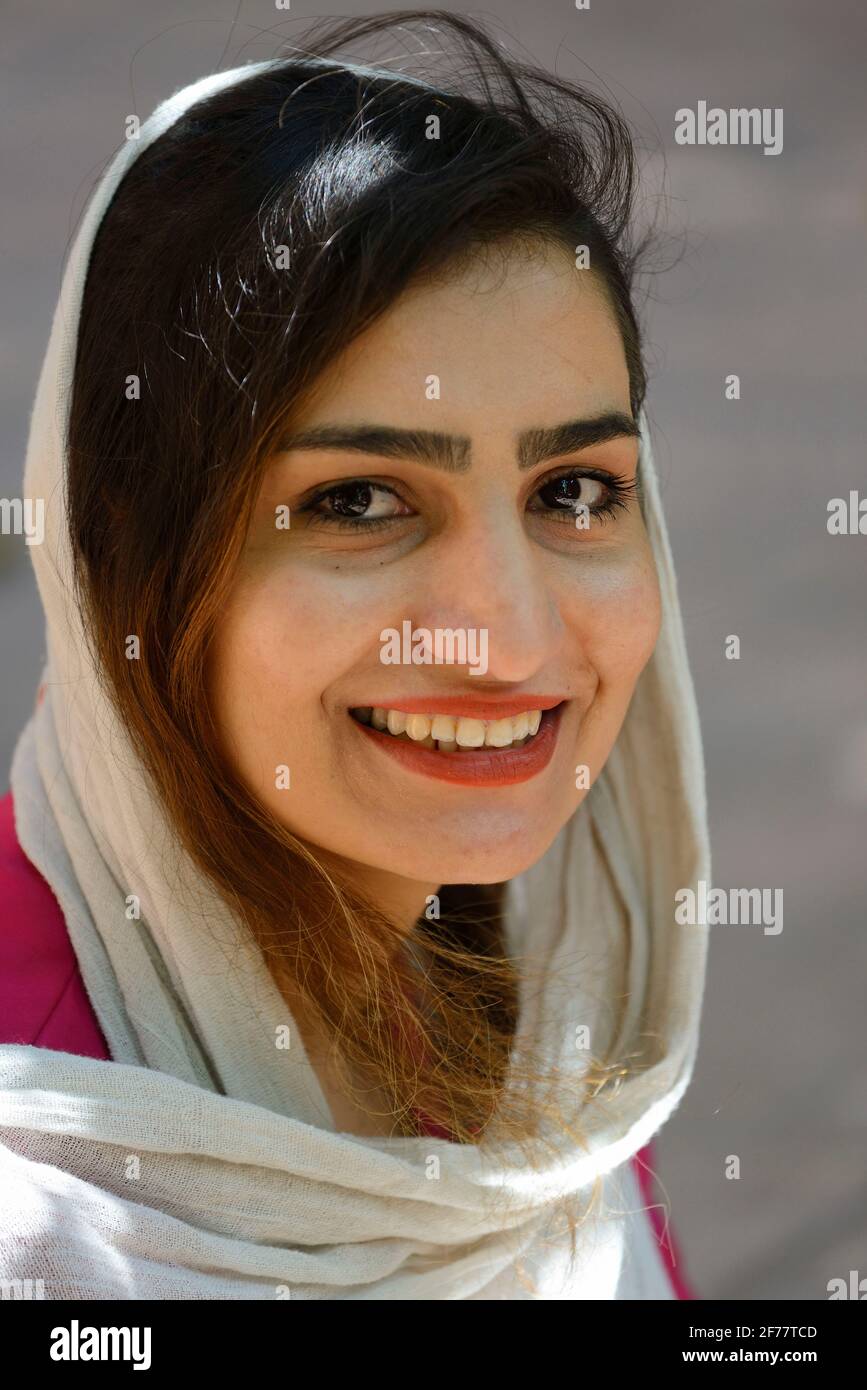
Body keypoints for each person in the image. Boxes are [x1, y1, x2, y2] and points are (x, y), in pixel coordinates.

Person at [0, 11, 710, 1299]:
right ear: (124, 558)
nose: (507, 642)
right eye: (357, 503)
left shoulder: (551, 1039)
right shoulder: (38, 1211)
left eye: (575, 491)